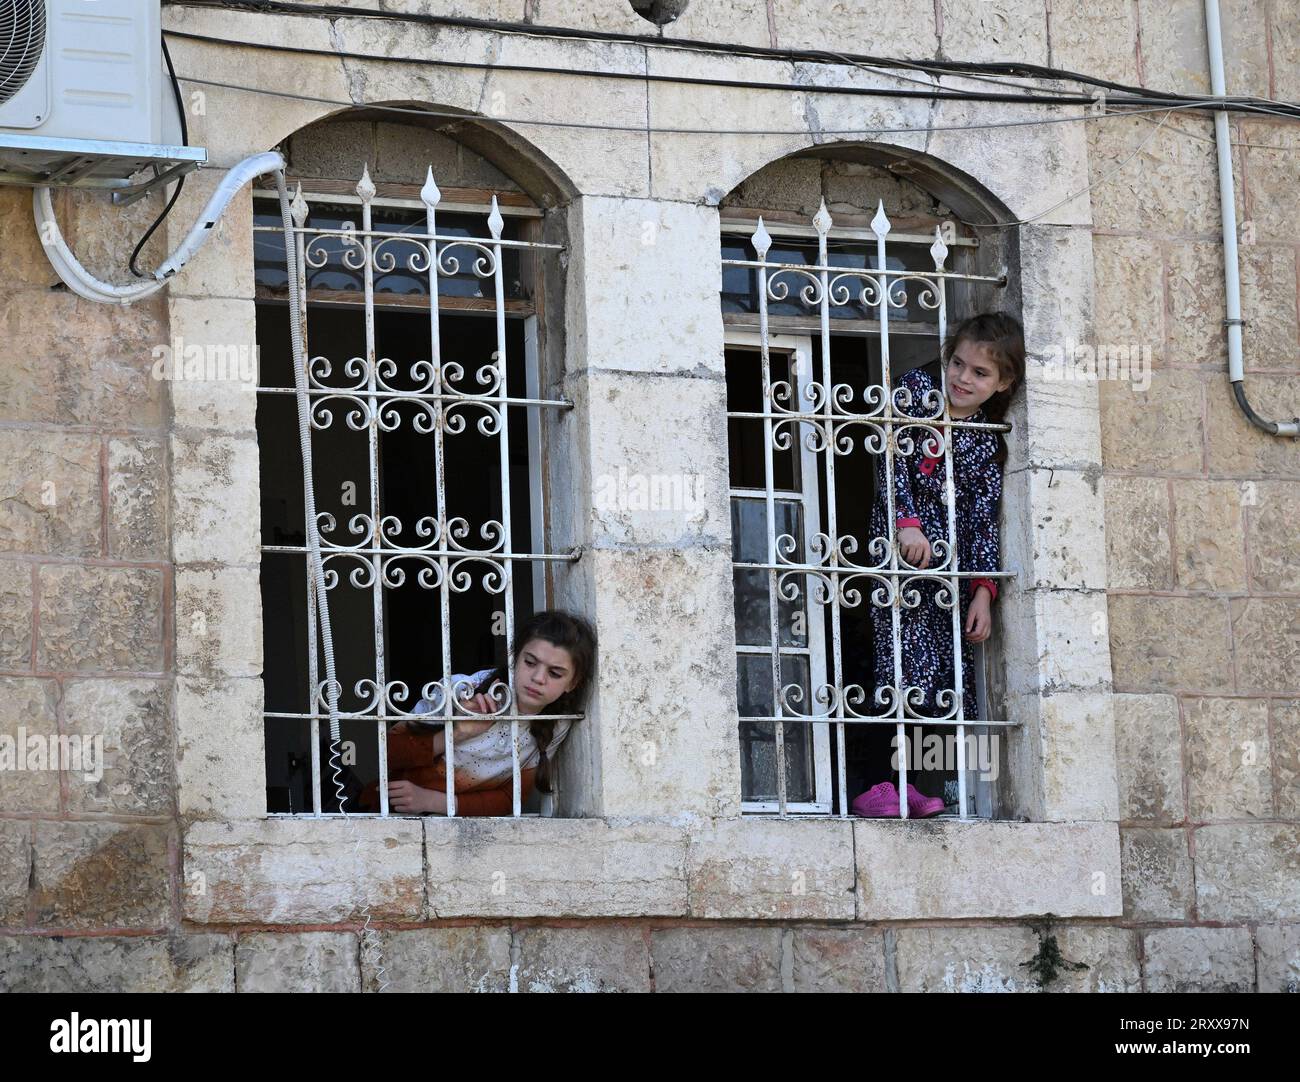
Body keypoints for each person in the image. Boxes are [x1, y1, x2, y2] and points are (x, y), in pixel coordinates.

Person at [868, 312, 1024, 723]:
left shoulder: (986, 435)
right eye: (957, 363)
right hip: (898, 549)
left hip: (948, 570)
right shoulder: (917, 391)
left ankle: (940, 785)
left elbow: (981, 520)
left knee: (946, 673)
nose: (963, 379)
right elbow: (891, 458)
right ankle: (886, 781)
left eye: (980, 372)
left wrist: (983, 593)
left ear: (1002, 383)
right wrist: (907, 522)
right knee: (899, 663)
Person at [357, 610, 597, 816]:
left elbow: (509, 798)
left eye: (555, 673)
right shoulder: (462, 690)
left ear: (572, 683)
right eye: (530, 662)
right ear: (515, 658)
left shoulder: (555, 723)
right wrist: (458, 733)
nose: (538, 678)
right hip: (386, 814)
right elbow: (385, 752)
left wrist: (434, 801)